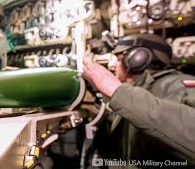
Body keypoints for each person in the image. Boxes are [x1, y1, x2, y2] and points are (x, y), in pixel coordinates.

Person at [82, 34, 195, 164]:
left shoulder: (180, 86)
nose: (113, 65)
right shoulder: (131, 92)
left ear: (138, 59)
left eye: (119, 59)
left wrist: (118, 92)